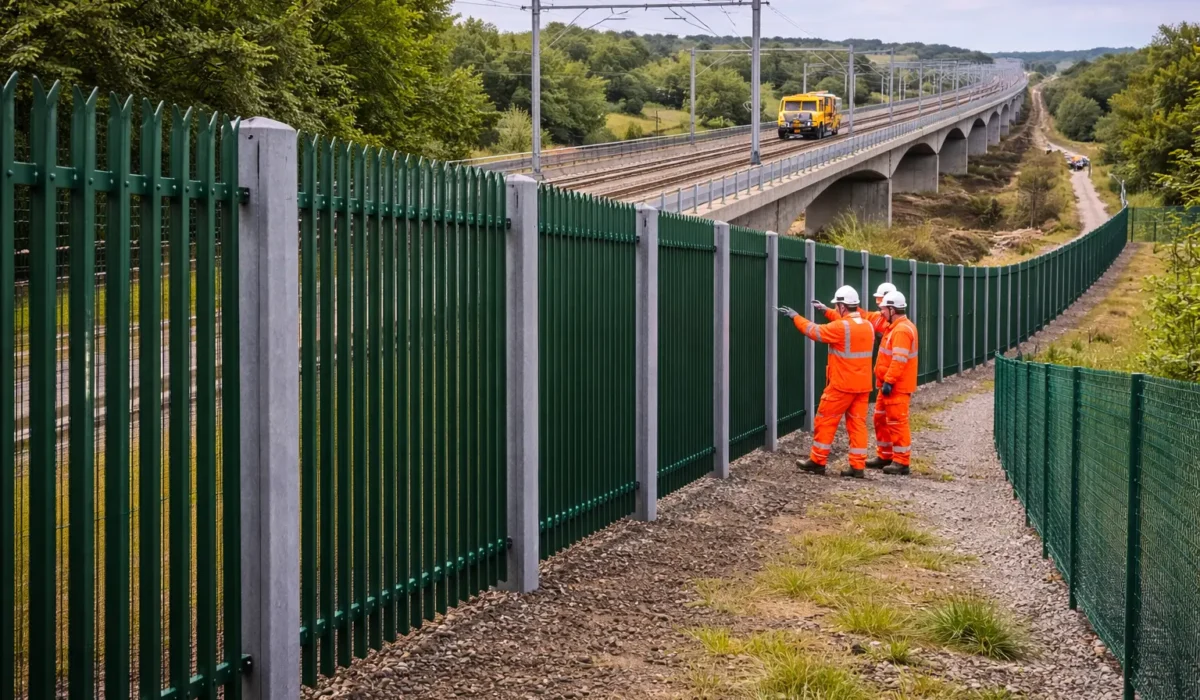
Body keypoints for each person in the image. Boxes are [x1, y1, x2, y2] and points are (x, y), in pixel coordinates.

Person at [778, 285, 875, 478]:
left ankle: (818, 461)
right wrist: (825, 310)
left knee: (825, 420)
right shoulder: (867, 325)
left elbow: (814, 331)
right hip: (862, 385)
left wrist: (795, 317)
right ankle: (857, 467)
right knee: (857, 425)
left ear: (842, 306)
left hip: (841, 385)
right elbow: (844, 323)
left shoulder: (841, 328)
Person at [865, 290, 919, 475]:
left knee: (897, 422)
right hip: (888, 385)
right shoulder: (896, 327)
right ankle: (885, 456)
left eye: (884, 309)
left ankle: (902, 462)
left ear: (892, 309)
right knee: (880, 418)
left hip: (896, 386)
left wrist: (889, 381)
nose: (881, 313)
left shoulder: (902, 330)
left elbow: (899, 360)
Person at [813, 282, 895, 337]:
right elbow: (850, 319)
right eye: (879, 306)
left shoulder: (898, 328)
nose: (881, 310)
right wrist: (826, 310)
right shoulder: (877, 318)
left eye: (882, 305)